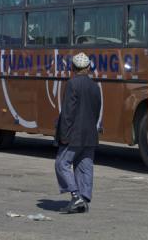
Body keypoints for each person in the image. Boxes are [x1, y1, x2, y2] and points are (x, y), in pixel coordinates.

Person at [54, 53, 102, 214]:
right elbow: (96, 111)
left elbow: (68, 112)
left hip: (74, 134)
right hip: (90, 135)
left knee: (62, 163)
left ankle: (75, 196)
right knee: (84, 167)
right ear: (88, 68)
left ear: (73, 68)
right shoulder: (95, 86)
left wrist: (63, 135)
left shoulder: (72, 84)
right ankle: (84, 200)